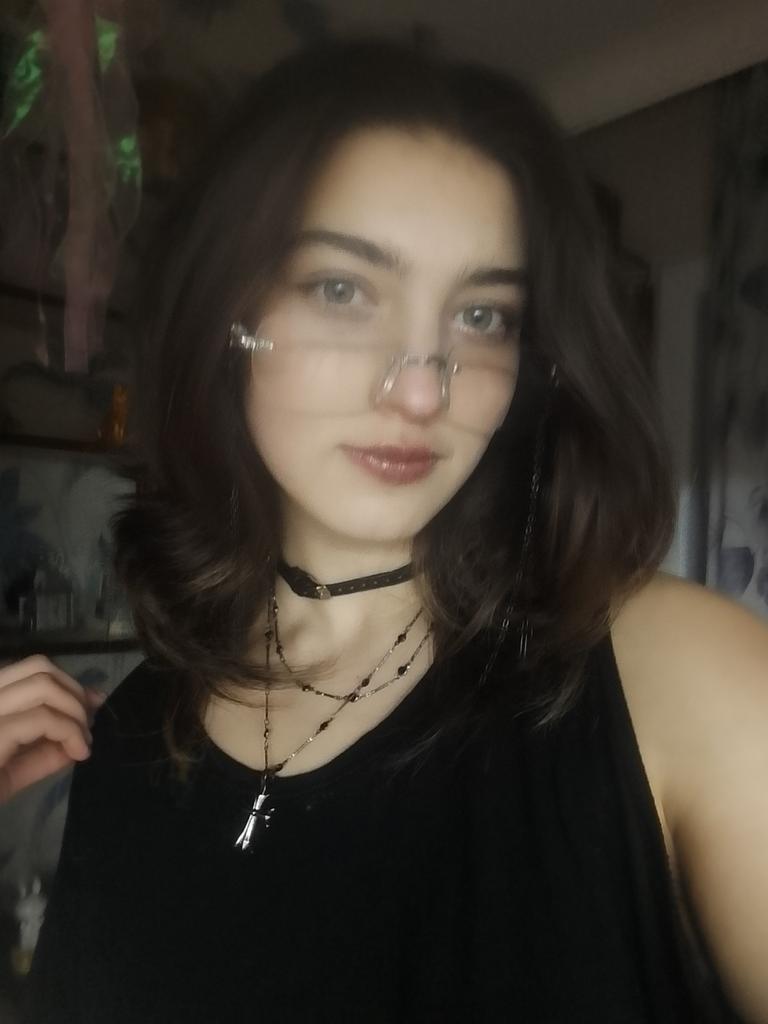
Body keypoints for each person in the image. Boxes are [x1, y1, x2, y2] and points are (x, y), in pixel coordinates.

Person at [1, 36, 765, 1024]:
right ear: (229, 316)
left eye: (482, 317)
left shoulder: (682, 677)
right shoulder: (133, 731)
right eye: (343, 291)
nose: (420, 392)